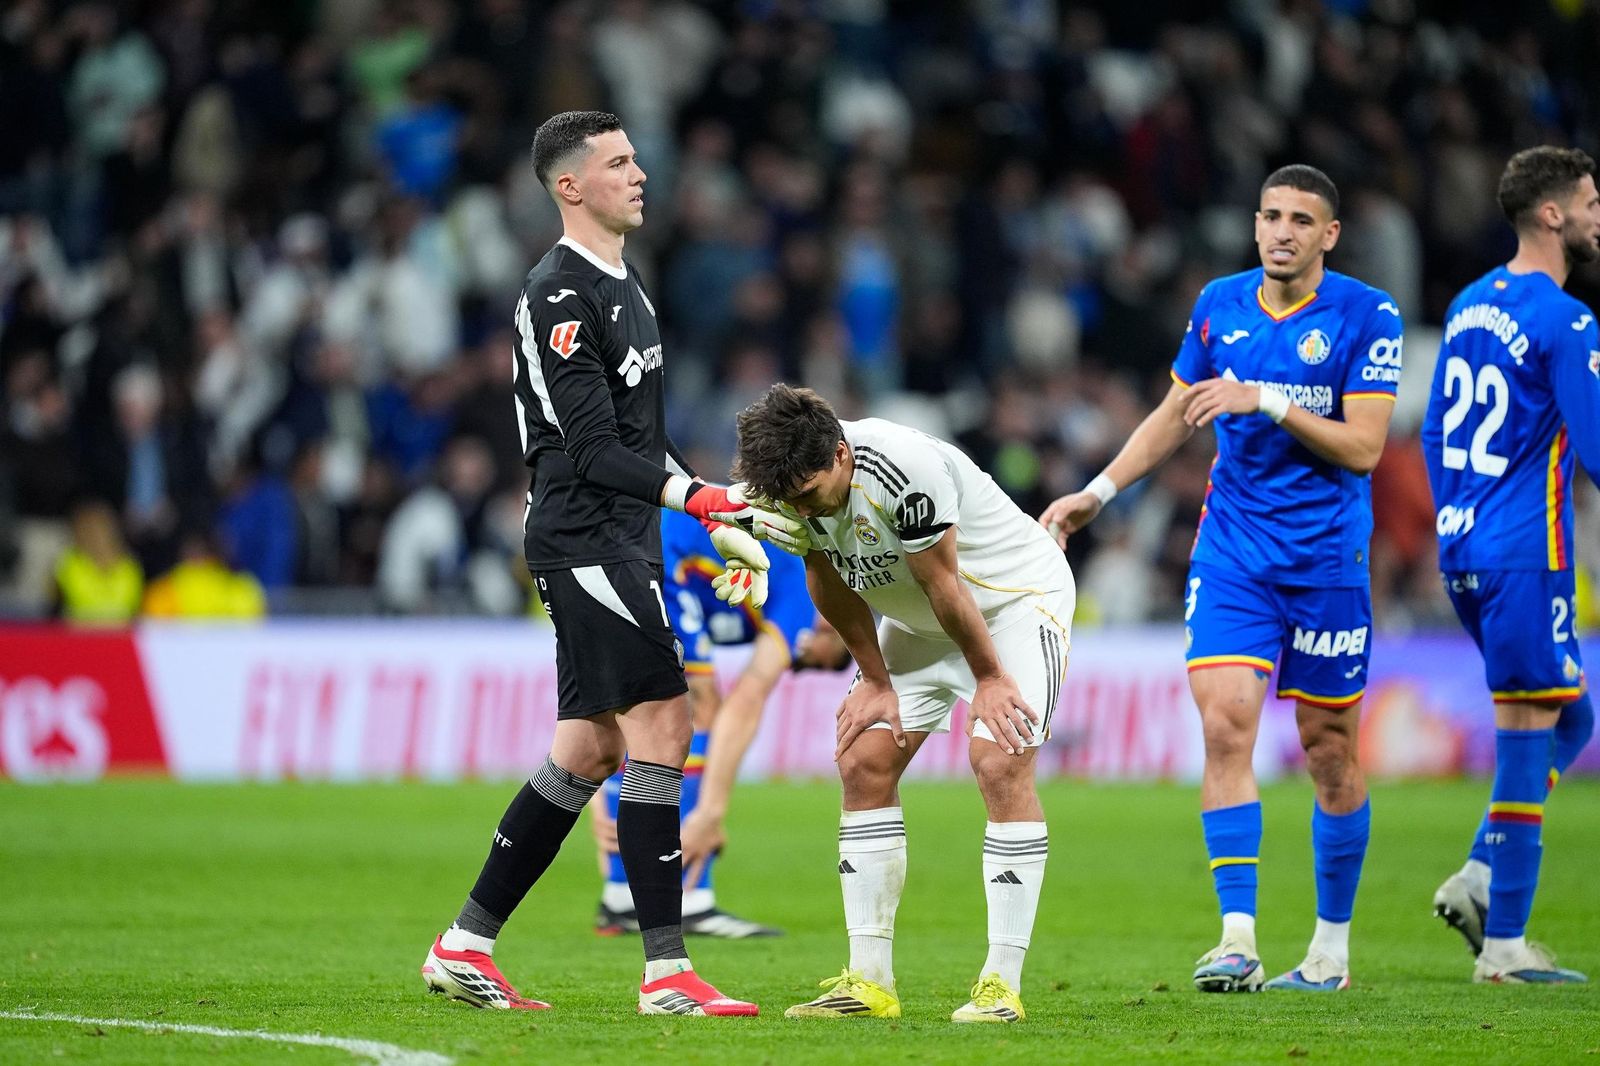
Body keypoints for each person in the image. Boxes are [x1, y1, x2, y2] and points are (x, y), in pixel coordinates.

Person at [419, 110, 806, 1017]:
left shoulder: (627, 281)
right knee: (666, 727)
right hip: (584, 535)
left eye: (637, 160)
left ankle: (463, 945)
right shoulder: (557, 295)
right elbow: (591, 450)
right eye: (619, 162)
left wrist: (709, 509)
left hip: (620, 535)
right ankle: (667, 971)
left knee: (589, 748)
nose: (640, 174)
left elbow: (645, 439)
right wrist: (696, 500)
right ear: (570, 186)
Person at [1041, 165, 1403, 993]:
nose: (1282, 231)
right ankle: (1236, 938)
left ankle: (1330, 951)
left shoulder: (1366, 315)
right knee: (1228, 722)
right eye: (1271, 216)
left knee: (1329, 751)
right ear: (1255, 224)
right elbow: (1176, 412)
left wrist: (1267, 400)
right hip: (1234, 553)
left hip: (1326, 564)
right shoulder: (1220, 304)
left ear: (1329, 235)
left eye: (1301, 220)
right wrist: (1098, 493)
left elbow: (1365, 448)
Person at [732, 383, 1074, 1025]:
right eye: (788, 500)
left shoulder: (903, 471)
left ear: (840, 453)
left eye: (807, 494)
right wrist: (876, 679)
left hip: (1009, 606)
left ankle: (1001, 986)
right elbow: (827, 578)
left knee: (999, 762)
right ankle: (869, 982)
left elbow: (942, 584)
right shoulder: (787, 485)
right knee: (862, 760)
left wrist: (992, 679)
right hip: (918, 623)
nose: (799, 508)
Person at [1421, 146, 1600, 985]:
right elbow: (1596, 447)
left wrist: (1457, 514)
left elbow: (1429, 433)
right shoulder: (1568, 322)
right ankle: (1505, 947)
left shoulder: (1464, 306)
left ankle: (1481, 875)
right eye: (1591, 203)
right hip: (1529, 553)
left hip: (1464, 547)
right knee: (1531, 729)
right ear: (1554, 214)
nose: (1599, 215)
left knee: (1572, 719)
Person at [590, 508, 850, 939]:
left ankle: (622, 894)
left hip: (631, 545)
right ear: (829, 628)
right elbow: (747, 699)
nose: (797, 661)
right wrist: (712, 810)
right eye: (813, 660)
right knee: (700, 704)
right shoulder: (805, 596)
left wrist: (601, 790)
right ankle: (689, 898)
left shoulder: (764, 588)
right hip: (660, 551)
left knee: (651, 705)